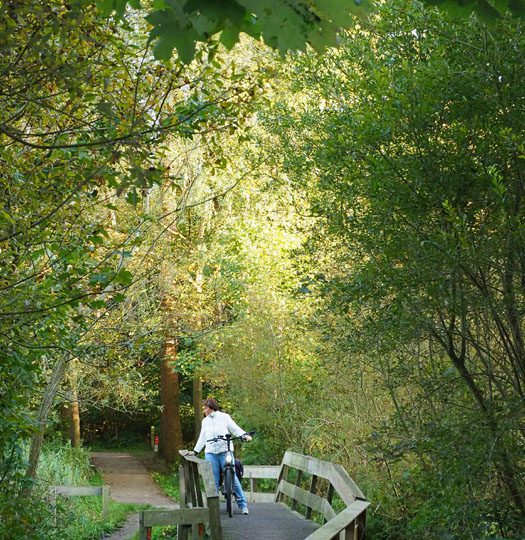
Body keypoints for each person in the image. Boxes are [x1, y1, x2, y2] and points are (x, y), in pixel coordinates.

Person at [188, 398, 252, 515]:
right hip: (211, 453)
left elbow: (234, 428)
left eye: (205, 407)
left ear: (211, 407)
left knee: (233, 477)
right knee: (213, 480)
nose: (204, 410)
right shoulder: (205, 421)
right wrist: (195, 451)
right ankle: (213, 508)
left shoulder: (224, 417)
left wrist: (244, 435)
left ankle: (243, 506)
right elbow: (202, 437)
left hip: (225, 451)